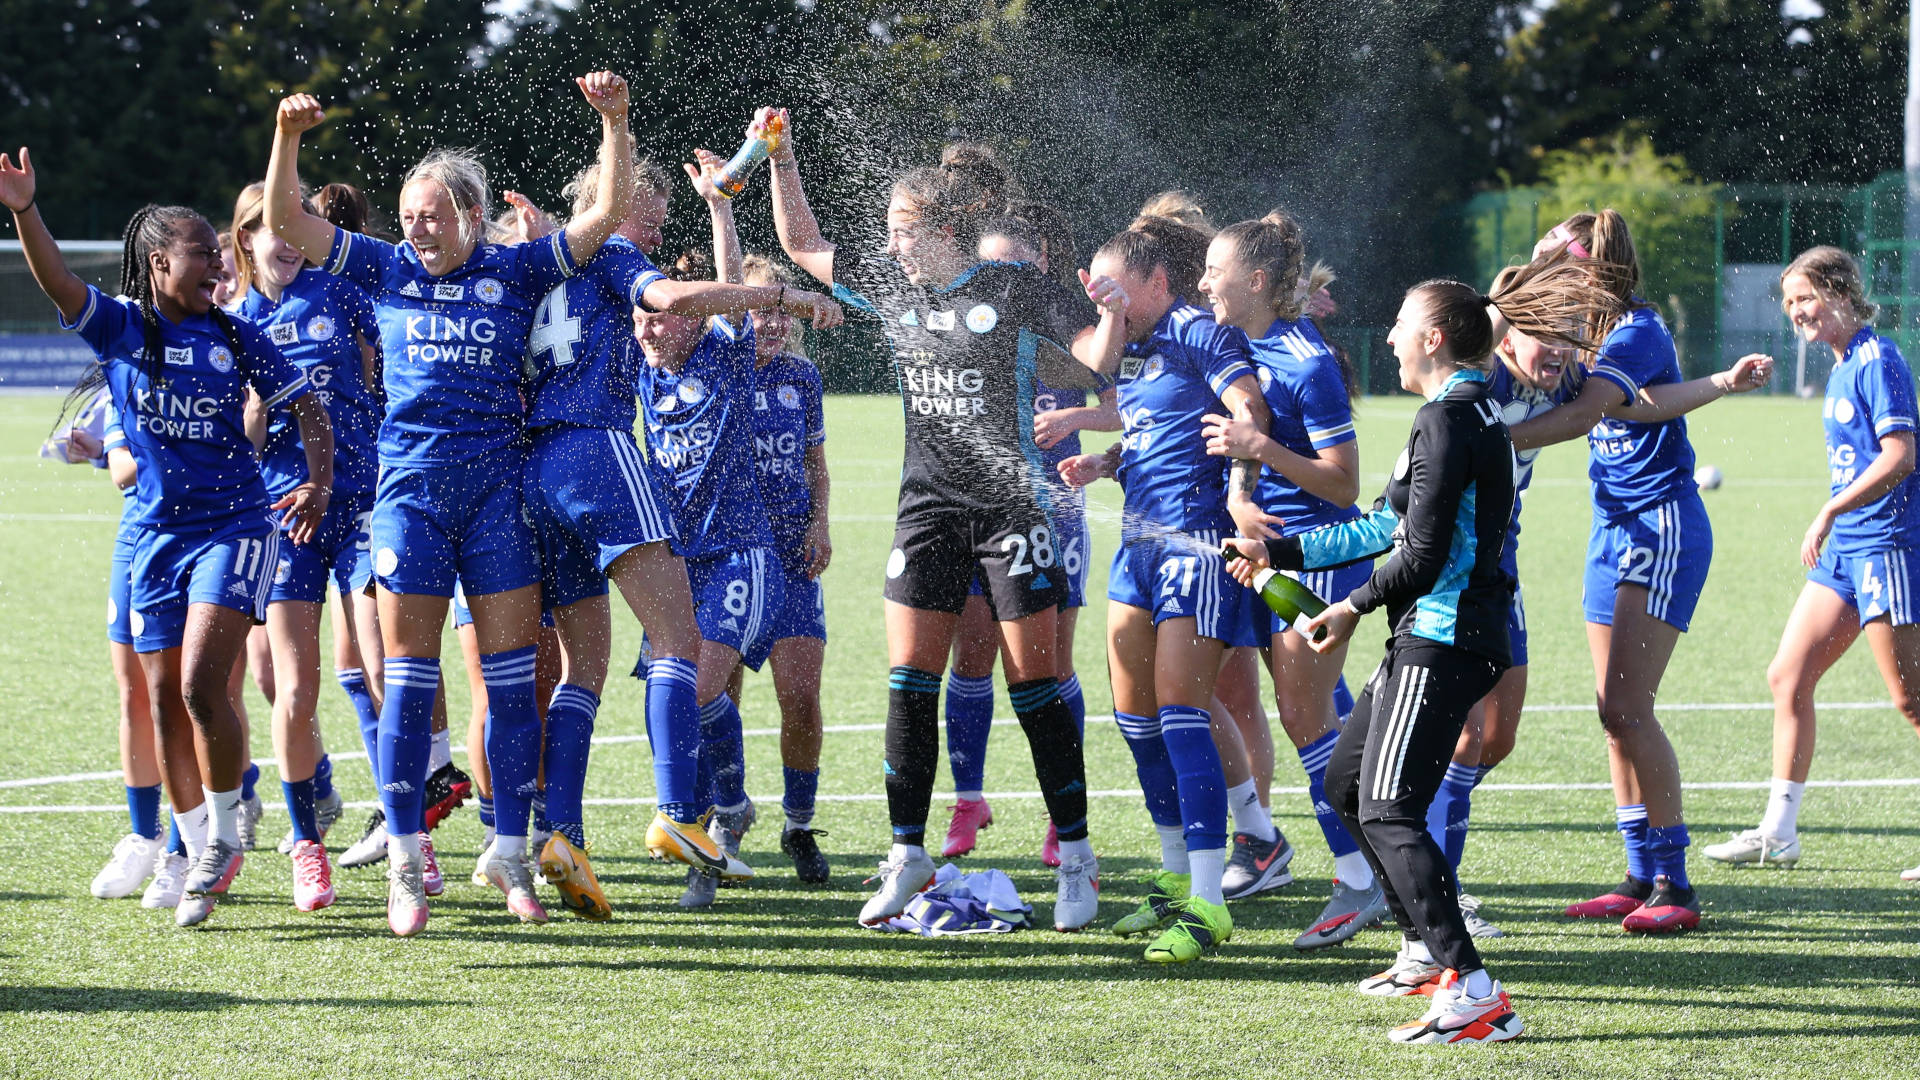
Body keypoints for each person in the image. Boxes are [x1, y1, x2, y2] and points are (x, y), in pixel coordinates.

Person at [263, 72, 634, 936]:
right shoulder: (386, 267)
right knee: (409, 685)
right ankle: (404, 861)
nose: (416, 226)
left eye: (432, 213)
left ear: (470, 215)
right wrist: (287, 140)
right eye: (408, 212)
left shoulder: (516, 268)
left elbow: (604, 217)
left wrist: (614, 123)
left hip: (496, 503)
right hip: (411, 503)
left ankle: (509, 855)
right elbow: (285, 222)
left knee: (511, 690)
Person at [1224, 263, 1612, 1044]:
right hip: (1430, 634)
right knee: (1344, 781)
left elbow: (1425, 556)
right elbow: (1382, 528)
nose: (1391, 336)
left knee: (1390, 809)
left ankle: (1474, 990)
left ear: (1433, 339)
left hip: (1445, 637)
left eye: (1402, 323)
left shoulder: (1451, 421)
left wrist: (1347, 606)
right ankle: (1419, 948)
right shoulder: (1450, 414)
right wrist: (1282, 555)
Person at [770, 111, 1103, 931]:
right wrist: (779, 159)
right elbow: (802, 244)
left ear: (948, 229)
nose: (892, 248)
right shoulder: (894, 293)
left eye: (903, 232)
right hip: (927, 511)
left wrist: (1116, 314)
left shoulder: (1014, 284)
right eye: (887, 233)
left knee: (1035, 687)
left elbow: (1096, 354)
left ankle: (1079, 860)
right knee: (908, 685)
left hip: (1011, 509)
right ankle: (907, 852)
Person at [5, 150, 335, 929]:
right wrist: (25, 211)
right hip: (153, 538)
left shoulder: (236, 334)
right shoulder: (121, 329)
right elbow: (57, 281)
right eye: (202, 252)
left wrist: (317, 483)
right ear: (158, 262)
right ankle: (192, 846)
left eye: (219, 253)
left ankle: (223, 839)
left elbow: (309, 408)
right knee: (161, 704)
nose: (219, 264)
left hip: (234, 527)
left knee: (197, 688)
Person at [523, 132, 840, 917]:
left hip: (737, 549)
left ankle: (618, 822)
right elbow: (667, 298)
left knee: (679, 678)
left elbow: (707, 291)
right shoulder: (628, 327)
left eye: (665, 232)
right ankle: (713, 812)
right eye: (651, 224)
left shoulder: (718, 355)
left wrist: (727, 223)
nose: (649, 322)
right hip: (664, 540)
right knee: (675, 688)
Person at [1509, 210, 1771, 933]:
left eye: (1549, 265)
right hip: (1612, 527)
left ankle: (1676, 885)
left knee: (1629, 708)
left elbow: (1589, 412)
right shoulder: (1594, 333)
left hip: (1660, 528)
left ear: (1587, 270)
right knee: (1609, 713)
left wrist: (1482, 441)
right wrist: (1719, 380)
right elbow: (1645, 404)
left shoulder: (1633, 330)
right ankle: (1637, 872)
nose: (1538, 279)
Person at [1058, 227, 1271, 963]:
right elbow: (1155, 428)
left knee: (1182, 713)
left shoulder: (1200, 333)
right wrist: (1108, 461)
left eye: (1118, 288)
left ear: (1157, 281)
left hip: (1196, 547)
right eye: (1100, 289)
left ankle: (1211, 902)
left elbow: (1250, 415)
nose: (1108, 301)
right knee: (1135, 716)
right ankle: (1178, 877)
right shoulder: (1140, 349)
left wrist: (1242, 495)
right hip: (1139, 549)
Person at [1195, 211, 1390, 943]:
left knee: (1306, 716)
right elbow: (1249, 438)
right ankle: (1370, 863)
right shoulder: (1242, 345)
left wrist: (1259, 450)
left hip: (1327, 557)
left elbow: (1344, 486)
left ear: (1255, 281)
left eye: (1214, 270)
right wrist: (1242, 492)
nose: (1203, 281)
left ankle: (1362, 877)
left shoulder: (1307, 362)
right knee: (1310, 713)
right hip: (1273, 554)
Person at [1705, 246, 1920, 876]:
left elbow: (1900, 455)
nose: (1797, 311)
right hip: (1847, 554)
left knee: (1911, 701)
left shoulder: (1878, 360)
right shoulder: (1842, 362)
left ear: (1841, 294)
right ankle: (1779, 831)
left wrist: (1827, 512)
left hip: (1885, 546)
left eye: (1806, 298)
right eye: (1790, 301)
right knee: (1787, 677)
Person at [941, 211, 1119, 867]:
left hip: (1056, 516)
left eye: (1016, 265)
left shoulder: (1063, 337)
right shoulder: (964, 331)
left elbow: (1127, 404)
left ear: (1040, 264)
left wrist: (1075, 415)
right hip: (975, 516)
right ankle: (967, 800)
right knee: (970, 659)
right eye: (991, 267)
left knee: (1048, 666)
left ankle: (1058, 813)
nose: (1003, 280)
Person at [231, 180, 382, 911]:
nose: (286, 240)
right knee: (294, 688)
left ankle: (406, 838)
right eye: (271, 228)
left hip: (361, 502)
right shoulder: (231, 322)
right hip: (285, 519)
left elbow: (385, 377)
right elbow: (241, 441)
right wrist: (257, 409)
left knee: (385, 670)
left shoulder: (341, 293)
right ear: (246, 240)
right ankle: (307, 847)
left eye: (297, 226)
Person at [729, 252, 837, 883]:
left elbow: (816, 468)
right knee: (723, 697)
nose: (769, 323)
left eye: (778, 309)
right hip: (734, 553)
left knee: (800, 696)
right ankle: (725, 816)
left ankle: (799, 825)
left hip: (794, 555)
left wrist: (820, 523)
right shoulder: (720, 364)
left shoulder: (803, 376)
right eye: (757, 309)